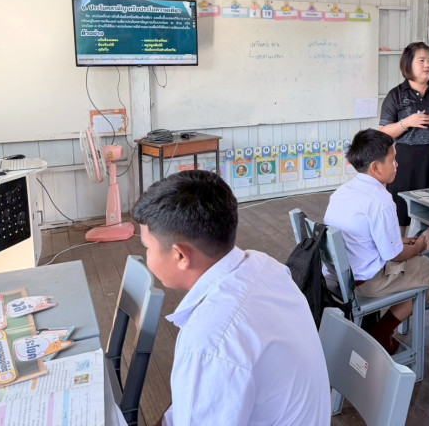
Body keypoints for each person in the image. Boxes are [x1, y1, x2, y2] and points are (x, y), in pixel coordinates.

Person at [132, 171, 331, 426]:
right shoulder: (264, 265)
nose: (147, 257)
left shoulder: (211, 342)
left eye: (147, 248)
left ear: (180, 256)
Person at [323, 129, 429, 353]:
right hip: (365, 283)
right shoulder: (381, 199)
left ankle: (377, 330)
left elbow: (367, 237)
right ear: (376, 168)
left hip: (337, 277)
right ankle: (380, 333)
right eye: (393, 159)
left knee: (410, 259)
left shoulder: (342, 192)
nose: (397, 165)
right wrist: (418, 247)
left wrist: (399, 242)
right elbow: (394, 255)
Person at [379, 41, 429, 247]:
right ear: (408, 63)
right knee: (400, 209)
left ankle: (426, 253)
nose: (427, 65)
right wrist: (406, 123)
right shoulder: (396, 94)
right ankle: (398, 253)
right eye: (422, 60)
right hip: (405, 159)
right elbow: (384, 132)